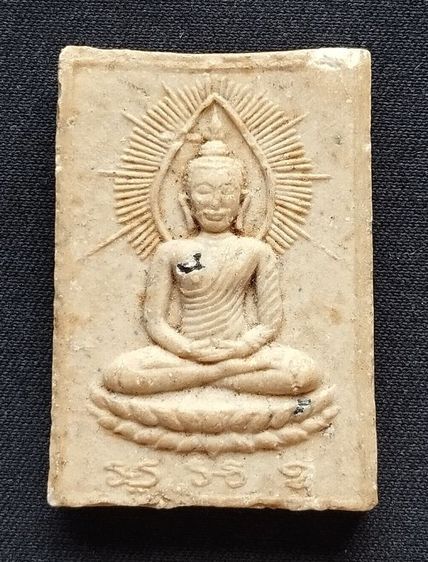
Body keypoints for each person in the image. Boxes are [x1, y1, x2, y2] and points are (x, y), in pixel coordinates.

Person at [104, 132, 320, 397]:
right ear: (187, 201)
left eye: (226, 192)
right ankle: (217, 376)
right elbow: (155, 321)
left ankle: (199, 378)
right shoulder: (170, 251)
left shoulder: (256, 251)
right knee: (120, 373)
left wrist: (240, 348)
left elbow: (270, 323)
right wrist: (186, 348)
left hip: (239, 352)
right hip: (185, 352)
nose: (216, 203)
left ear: (243, 201)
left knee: (304, 373)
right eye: (204, 192)